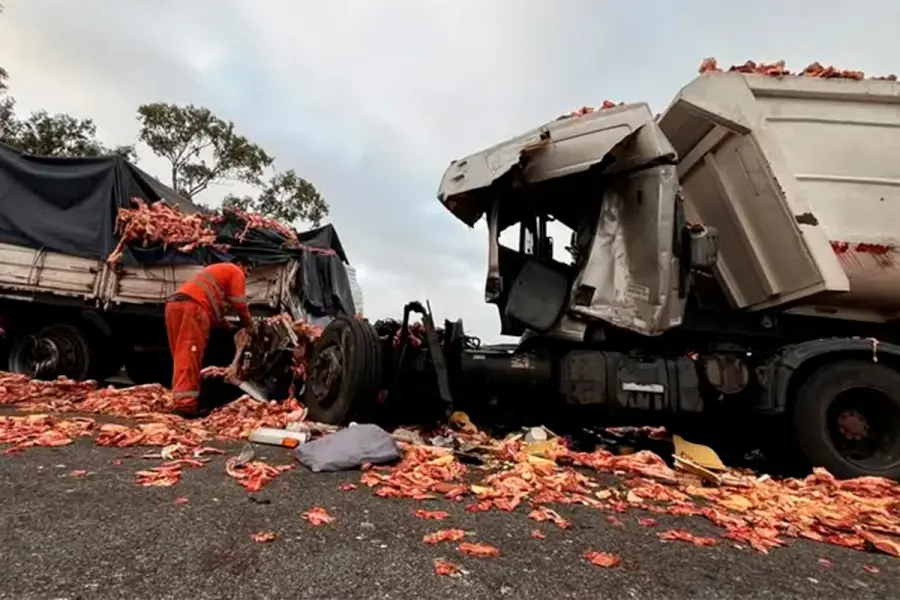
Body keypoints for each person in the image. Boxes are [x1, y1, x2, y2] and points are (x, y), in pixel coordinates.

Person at [165, 260, 256, 417]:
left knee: (180, 354)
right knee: (190, 355)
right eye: (248, 271)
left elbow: (215, 309)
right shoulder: (235, 270)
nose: (246, 276)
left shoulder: (217, 275)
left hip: (174, 305)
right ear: (241, 264)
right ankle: (185, 404)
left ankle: (179, 399)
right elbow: (239, 303)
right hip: (193, 308)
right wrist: (248, 324)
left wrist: (227, 326)